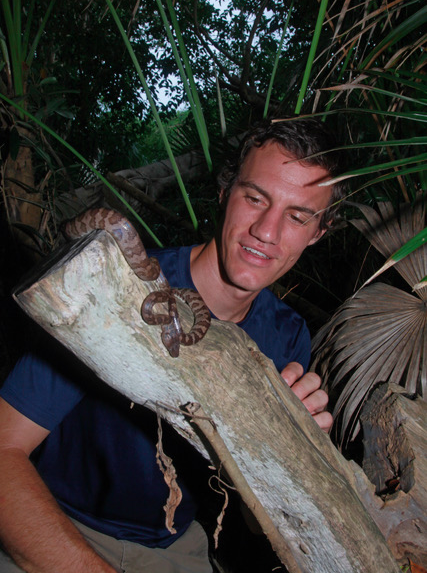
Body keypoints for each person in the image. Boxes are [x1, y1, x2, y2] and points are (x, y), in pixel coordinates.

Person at [0, 118, 347, 573]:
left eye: (298, 216)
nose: (267, 230)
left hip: (179, 548)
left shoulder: (286, 337)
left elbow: (257, 519)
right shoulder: (111, 285)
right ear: (225, 194)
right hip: (60, 526)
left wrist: (292, 459)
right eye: (255, 198)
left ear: (318, 233)